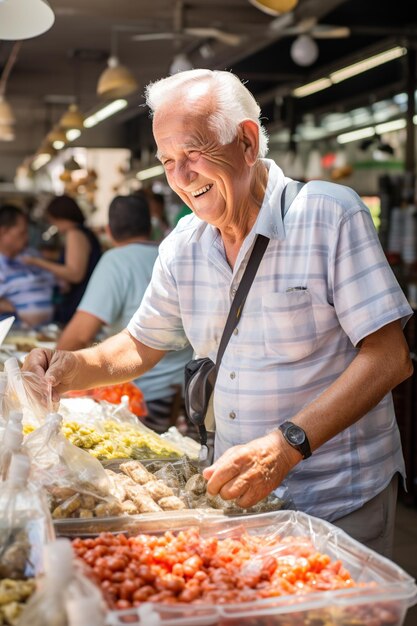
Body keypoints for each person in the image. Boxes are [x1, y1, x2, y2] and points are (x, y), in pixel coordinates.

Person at [23, 69, 413, 557]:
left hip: (338, 498)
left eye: (193, 152)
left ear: (247, 142)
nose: (181, 177)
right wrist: (70, 366)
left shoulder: (328, 215)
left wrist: (287, 444)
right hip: (242, 500)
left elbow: (389, 357)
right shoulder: (183, 246)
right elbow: (141, 343)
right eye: (168, 161)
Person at [56, 193, 193, 433]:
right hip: (184, 393)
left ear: (109, 231)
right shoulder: (171, 255)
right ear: (150, 226)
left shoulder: (116, 260)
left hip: (142, 399)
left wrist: (50, 369)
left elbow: (78, 335)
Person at [22, 195, 101, 325]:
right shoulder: (84, 233)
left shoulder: (74, 233)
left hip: (78, 301)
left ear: (59, 217)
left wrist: (36, 261)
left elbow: (75, 274)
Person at [0, 204, 55, 327]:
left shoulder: (33, 255)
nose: (27, 237)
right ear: (3, 232)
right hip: (14, 335)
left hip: (46, 331)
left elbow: (55, 284)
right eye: (22, 233)